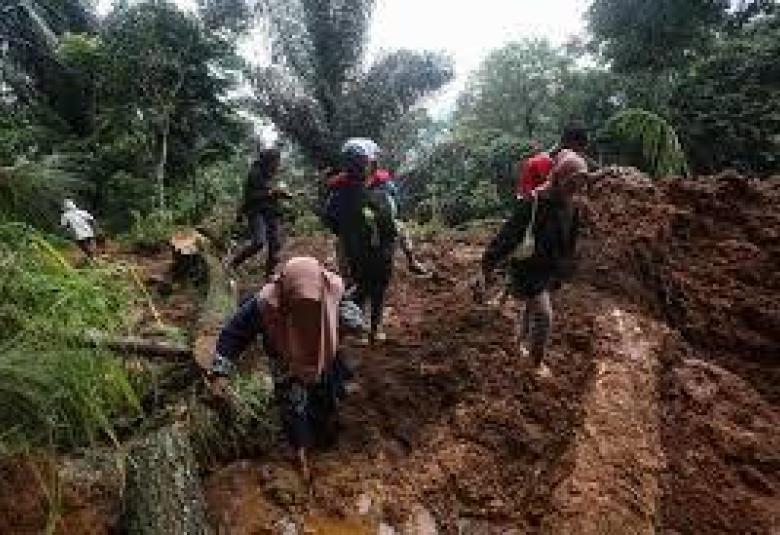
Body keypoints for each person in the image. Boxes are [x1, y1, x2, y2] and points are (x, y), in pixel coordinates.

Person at [205, 257, 364, 480]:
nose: (306, 314)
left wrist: (346, 324)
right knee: (293, 404)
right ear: (285, 296)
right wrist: (220, 372)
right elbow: (235, 332)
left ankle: (325, 429)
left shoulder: (333, 289)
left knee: (326, 394)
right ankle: (301, 453)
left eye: (313, 307)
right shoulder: (265, 304)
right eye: (299, 307)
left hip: (323, 352)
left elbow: (355, 319)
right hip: (284, 357)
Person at [480, 122, 591, 377]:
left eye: (579, 185)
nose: (575, 190)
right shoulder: (534, 202)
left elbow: (570, 239)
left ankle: (518, 342)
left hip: (549, 266)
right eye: (572, 183)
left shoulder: (571, 205)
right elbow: (509, 234)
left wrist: (566, 267)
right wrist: (489, 262)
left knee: (531, 309)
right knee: (544, 314)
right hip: (528, 267)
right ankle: (536, 363)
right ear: (559, 177)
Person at [325, 139, 398, 344]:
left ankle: (367, 328)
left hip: (364, 247)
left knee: (367, 285)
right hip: (371, 247)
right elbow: (392, 216)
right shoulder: (378, 188)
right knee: (371, 286)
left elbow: (331, 219)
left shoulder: (340, 192)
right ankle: (369, 328)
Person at [229, 147, 288, 274]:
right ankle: (234, 263)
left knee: (275, 244)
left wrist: (284, 194)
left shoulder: (271, 174)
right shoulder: (254, 174)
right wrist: (271, 193)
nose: (278, 164)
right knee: (259, 242)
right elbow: (251, 196)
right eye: (276, 161)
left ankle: (270, 273)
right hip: (256, 211)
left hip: (271, 211)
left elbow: (273, 192)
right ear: (268, 161)